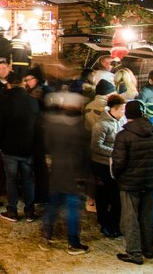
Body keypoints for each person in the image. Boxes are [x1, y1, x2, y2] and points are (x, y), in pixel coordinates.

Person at [112, 100, 153, 265]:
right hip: (148, 181)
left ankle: (134, 253)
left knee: (130, 218)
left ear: (127, 114)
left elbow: (118, 163)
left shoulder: (123, 136)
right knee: (146, 217)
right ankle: (148, 249)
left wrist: (118, 176)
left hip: (130, 182)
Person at [40, 92, 90, 254]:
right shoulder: (79, 126)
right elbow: (84, 152)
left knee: (53, 204)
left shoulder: (53, 124)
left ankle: (46, 236)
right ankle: (73, 243)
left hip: (56, 170)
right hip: (72, 172)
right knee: (73, 209)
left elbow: (47, 145)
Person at [0, 77, 40, 222]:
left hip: (9, 148)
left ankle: (12, 211)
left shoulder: (5, 102)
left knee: (11, 180)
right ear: (22, 85)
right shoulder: (33, 102)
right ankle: (29, 211)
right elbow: (38, 127)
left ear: (9, 85)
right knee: (28, 179)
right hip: (28, 148)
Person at [90, 93, 126, 238]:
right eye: (122, 109)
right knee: (103, 195)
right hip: (102, 165)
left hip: (115, 165)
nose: (124, 112)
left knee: (116, 196)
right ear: (114, 109)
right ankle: (104, 223)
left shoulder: (122, 121)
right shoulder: (101, 125)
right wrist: (115, 152)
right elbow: (96, 146)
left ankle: (113, 223)